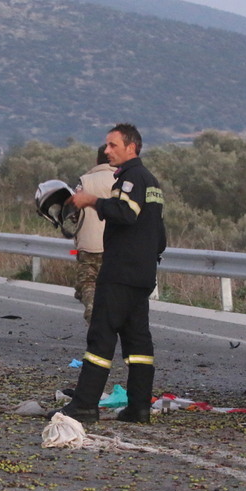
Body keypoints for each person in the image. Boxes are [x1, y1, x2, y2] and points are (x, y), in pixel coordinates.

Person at [58, 123, 166, 425]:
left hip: (119, 273)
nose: (107, 151)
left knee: (101, 338)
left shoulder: (132, 178)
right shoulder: (152, 181)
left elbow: (125, 213)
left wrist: (91, 201)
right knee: (138, 344)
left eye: (112, 145)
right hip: (143, 275)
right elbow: (160, 235)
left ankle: (84, 405)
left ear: (131, 147)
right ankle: (139, 407)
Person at [72, 144, 116, 324]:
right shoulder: (124, 181)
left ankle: (92, 310)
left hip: (89, 244)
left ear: (98, 159)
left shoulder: (84, 181)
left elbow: (74, 212)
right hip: (115, 245)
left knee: (88, 283)